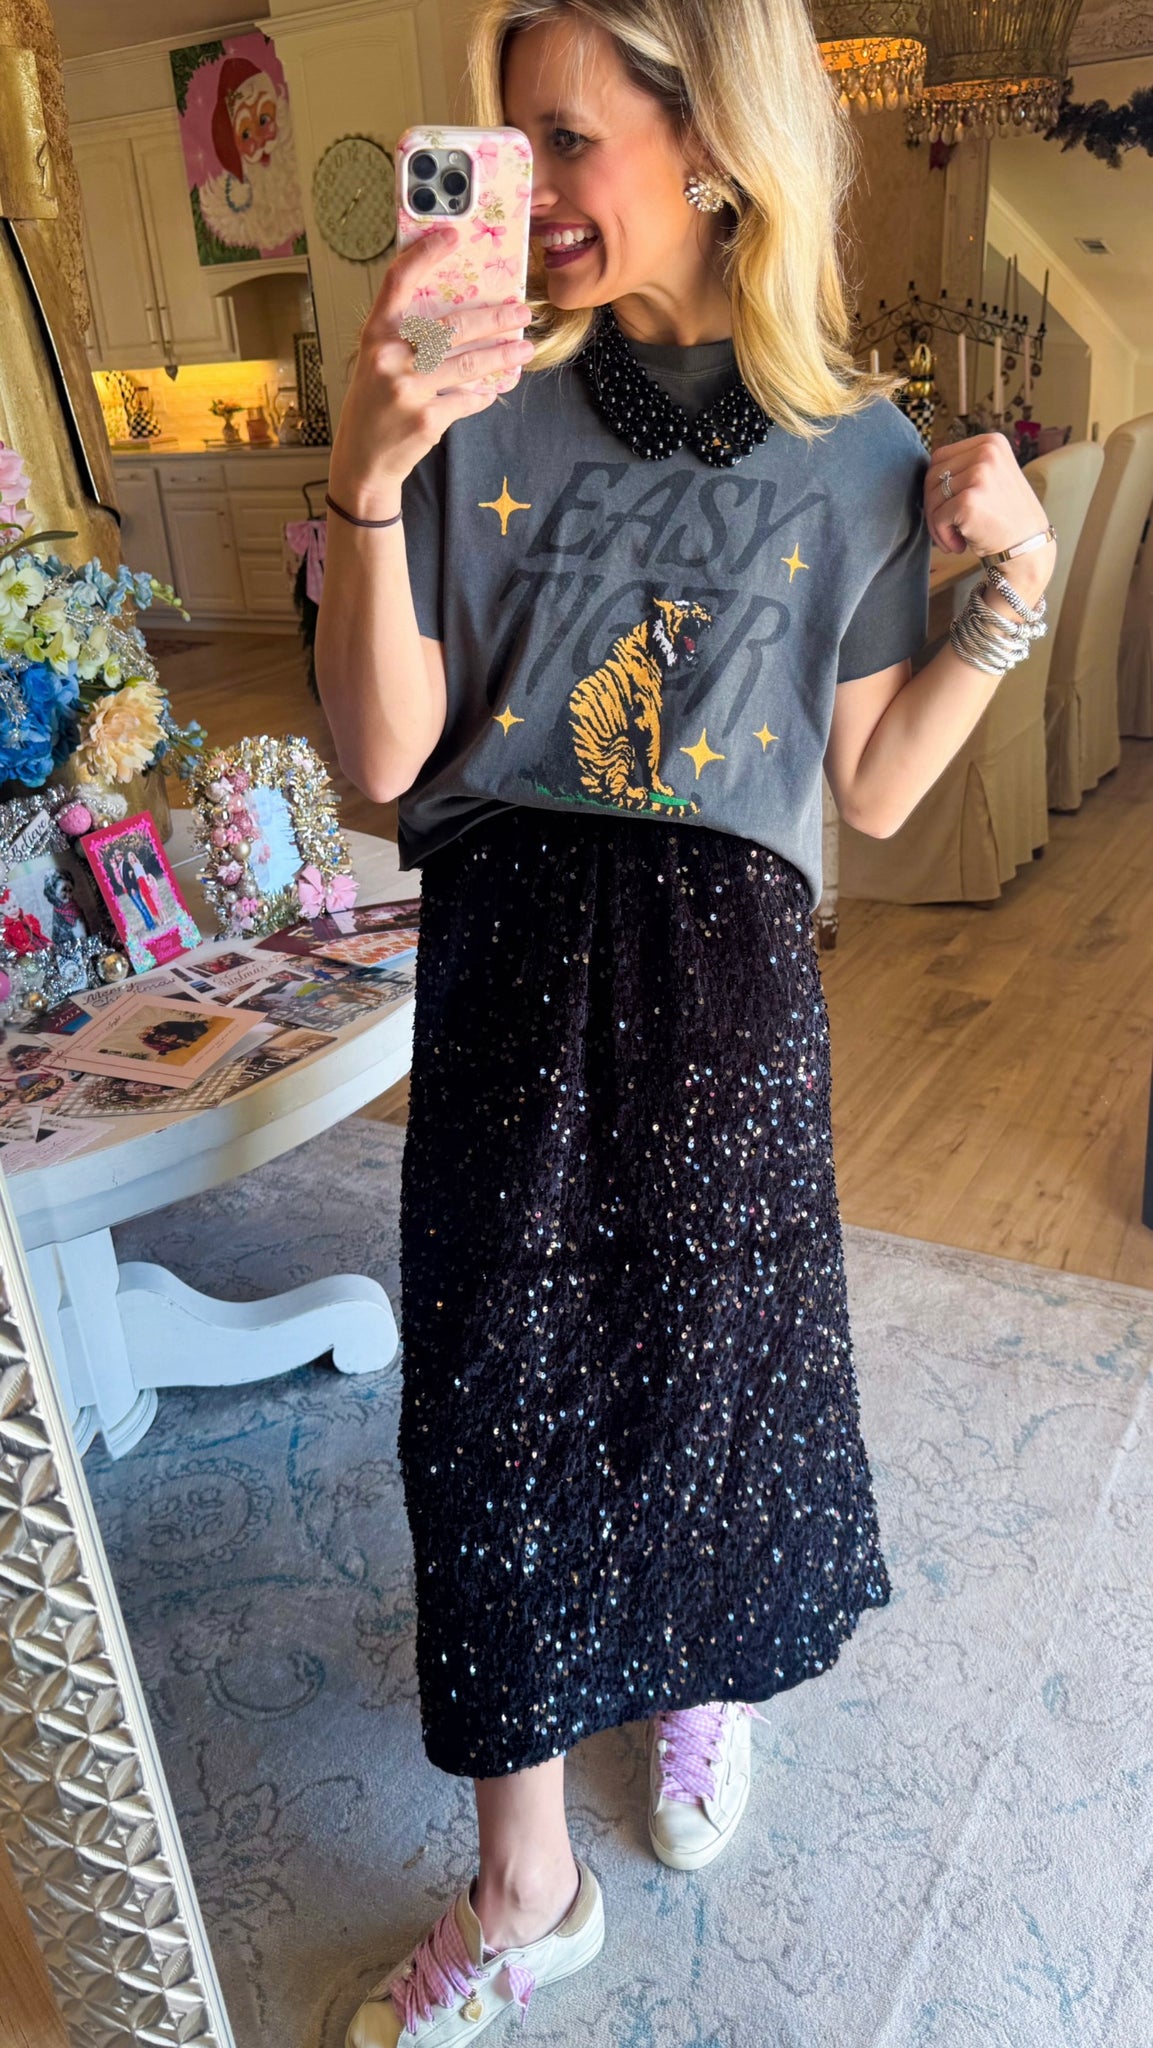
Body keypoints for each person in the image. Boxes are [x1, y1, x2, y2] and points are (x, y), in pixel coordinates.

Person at [315, 3, 1057, 2041]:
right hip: (505, 963)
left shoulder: (858, 447)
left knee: (707, 1377)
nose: (528, 190)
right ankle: (523, 1881)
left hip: (725, 987)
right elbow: (382, 760)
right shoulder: (469, 399)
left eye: (566, 139)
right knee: (493, 1406)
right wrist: (369, 471)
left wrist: (1016, 585)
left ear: (712, 138)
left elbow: (875, 788)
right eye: (509, 140)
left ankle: (698, 1671)